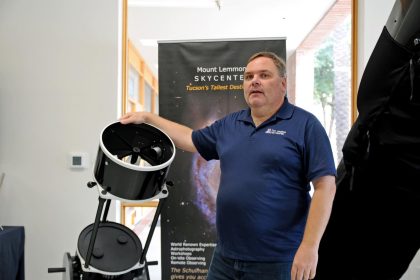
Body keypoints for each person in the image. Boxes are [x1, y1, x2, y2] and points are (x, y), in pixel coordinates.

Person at [120, 52, 336, 280]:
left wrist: (310, 247)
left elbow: (325, 186)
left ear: (283, 84)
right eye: (248, 76)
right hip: (225, 258)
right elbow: (189, 138)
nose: (254, 81)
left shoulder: (305, 125)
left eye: (264, 75)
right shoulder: (230, 124)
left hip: (277, 260)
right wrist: (148, 118)